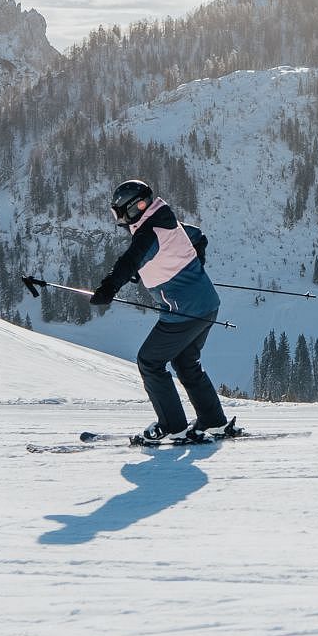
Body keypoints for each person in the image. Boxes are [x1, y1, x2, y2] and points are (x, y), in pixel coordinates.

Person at [91, 179, 242, 445]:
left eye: (120, 212)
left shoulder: (149, 233)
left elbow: (129, 261)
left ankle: (173, 427)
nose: (120, 219)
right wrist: (191, 267)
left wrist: (108, 289)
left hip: (183, 312)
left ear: (135, 207)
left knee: (149, 362)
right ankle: (214, 422)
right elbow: (197, 237)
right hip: (207, 305)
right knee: (186, 363)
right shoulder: (165, 220)